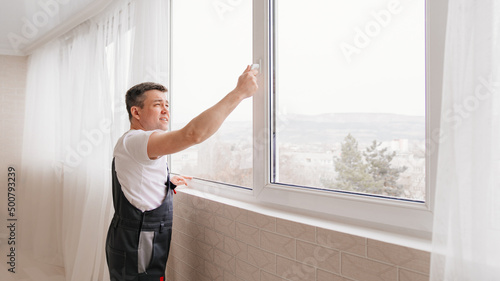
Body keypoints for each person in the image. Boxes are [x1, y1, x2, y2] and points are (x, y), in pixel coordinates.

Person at [105, 65, 258, 280]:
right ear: (136, 112)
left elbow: (135, 177)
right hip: (139, 238)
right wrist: (239, 93)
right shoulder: (137, 140)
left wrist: (165, 181)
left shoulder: (138, 145)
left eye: (167, 104)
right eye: (158, 105)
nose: (166, 110)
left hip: (138, 235)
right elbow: (192, 134)